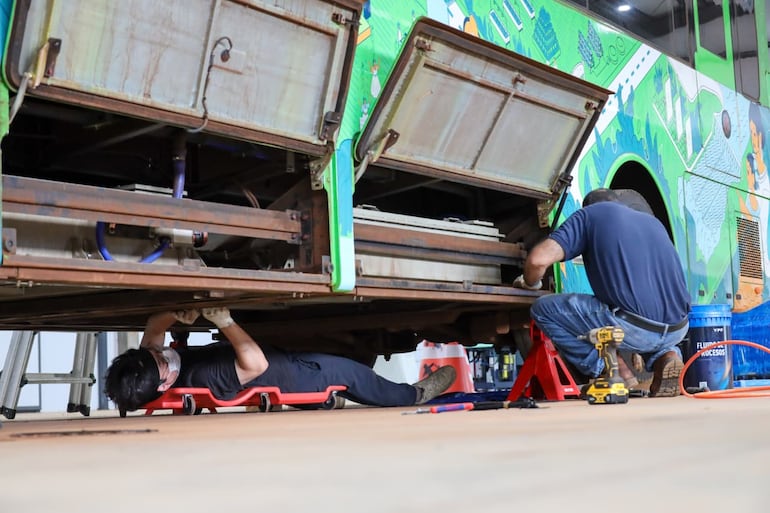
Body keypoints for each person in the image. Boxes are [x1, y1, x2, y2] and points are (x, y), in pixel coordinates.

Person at [104, 307, 456, 413]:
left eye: (153, 352)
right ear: (165, 384)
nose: (159, 351)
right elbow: (254, 363)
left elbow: (153, 327)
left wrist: (176, 314)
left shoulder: (155, 372)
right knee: (352, 375)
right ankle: (413, 395)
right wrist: (222, 320)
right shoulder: (203, 378)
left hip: (281, 361)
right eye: (158, 359)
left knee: (351, 362)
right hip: (296, 378)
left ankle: (340, 394)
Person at [512, 188, 690, 397]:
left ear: (587, 207)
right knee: (643, 320)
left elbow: (537, 260)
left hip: (634, 327)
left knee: (543, 309)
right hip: (679, 327)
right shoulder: (652, 222)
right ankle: (667, 356)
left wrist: (530, 284)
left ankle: (609, 370)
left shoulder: (590, 215)